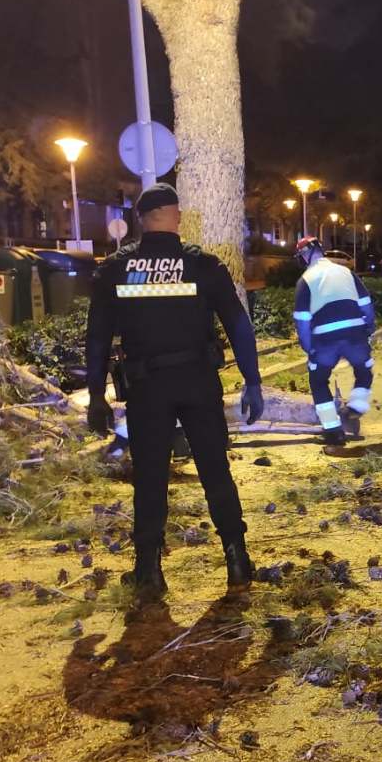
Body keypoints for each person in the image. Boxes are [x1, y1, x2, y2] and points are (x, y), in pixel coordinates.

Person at [85, 183, 264, 593]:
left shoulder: (116, 269)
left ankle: (149, 570)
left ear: (142, 219)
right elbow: (238, 324)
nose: (182, 216)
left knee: (149, 477)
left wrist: (97, 395)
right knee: (215, 469)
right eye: (178, 210)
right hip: (198, 382)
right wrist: (252, 381)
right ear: (171, 214)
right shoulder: (202, 266)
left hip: (147, 388)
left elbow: (96, 337)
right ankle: (237, 559)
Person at [291, 236, 376, 446]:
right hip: (355, 335)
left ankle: (332, 430)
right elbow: (366, 304)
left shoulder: (306, 280)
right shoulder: (346, 272)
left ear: (303, 256)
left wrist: (309, 347)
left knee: (318, 380)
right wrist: (368, 328)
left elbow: (302, 321)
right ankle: (355, 407)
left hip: (325, 340)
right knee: (364, 369)